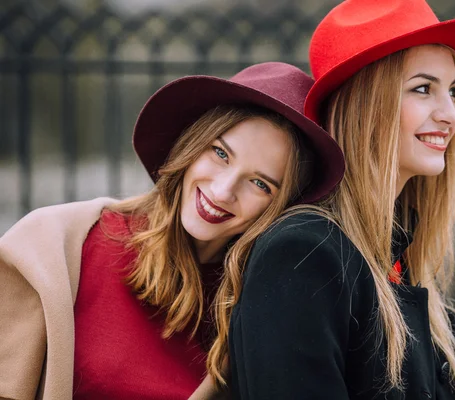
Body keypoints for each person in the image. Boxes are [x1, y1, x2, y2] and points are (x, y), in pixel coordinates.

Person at [220, 1, 455, 399]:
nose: (452, 114)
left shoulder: (393, 256)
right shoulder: (305, 254)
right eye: (423, 89)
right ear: (366, 104)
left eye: (452, 92)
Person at [0, 62, 344, 400]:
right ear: (192, 146)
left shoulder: (265, 303)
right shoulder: (58, 247)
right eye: (221, 153)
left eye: (259, 183)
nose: (223, 191)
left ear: (282, 207)